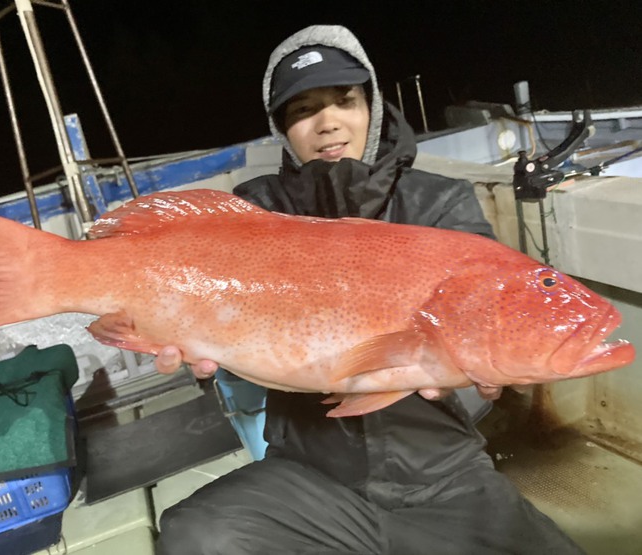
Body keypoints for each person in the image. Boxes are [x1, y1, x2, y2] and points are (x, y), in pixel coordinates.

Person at [154, 25, 584, 555]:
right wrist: (193, 346)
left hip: (443, 473)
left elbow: (483, 307)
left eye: (344, 100)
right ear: (283, 130)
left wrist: (485, 369)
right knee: (196, 534)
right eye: (303, 109)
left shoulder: (439, 205)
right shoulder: (256, 213)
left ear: (373, 108)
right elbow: (212, 316)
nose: (328, 121)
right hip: (309, 477)